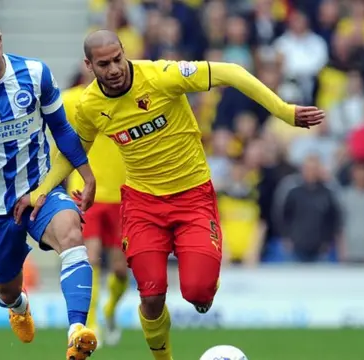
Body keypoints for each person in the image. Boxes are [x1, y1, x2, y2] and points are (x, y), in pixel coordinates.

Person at [21, 30, 324, 360]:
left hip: (192, 197)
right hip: (141, 204)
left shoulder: (162, 76)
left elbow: (232, 72)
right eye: (103, 64)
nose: (113, 69)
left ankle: (204, 279)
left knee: (198, 294)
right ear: (89, 65)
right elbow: (73, 148)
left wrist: (284, 111)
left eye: (117, 59)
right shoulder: (91, 104)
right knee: (150, 297)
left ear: (125, 53)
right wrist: (43, 190)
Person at [0, 8, 98, 360]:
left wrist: (86, 174)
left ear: (1, 39)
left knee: (71, 232)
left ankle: (76, 333)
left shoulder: (35, 74)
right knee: (7, 288)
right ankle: (18, 305)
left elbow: (62, 130)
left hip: (40, 190)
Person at [61, 63, 129, 346]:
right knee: (91, 257)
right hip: (84, 192)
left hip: (122, 195)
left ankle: (110, 309)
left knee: (121, 270)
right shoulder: (71, 99)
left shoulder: (126, 98)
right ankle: (90, 324)